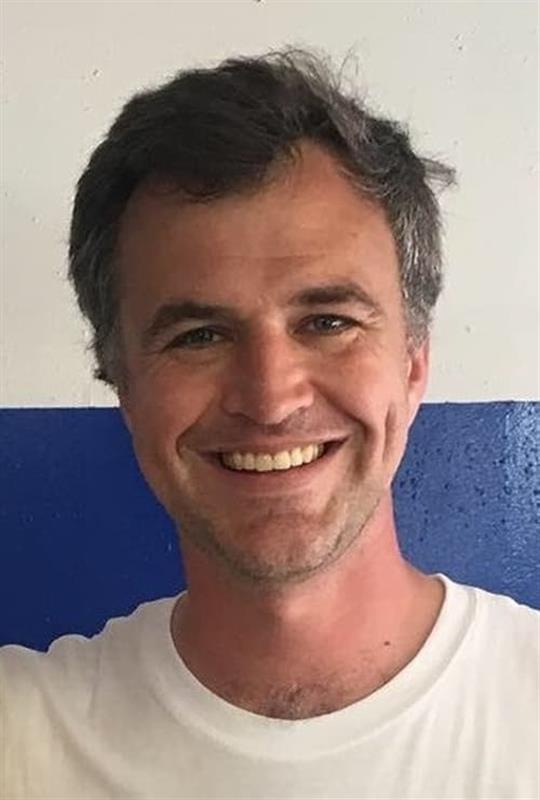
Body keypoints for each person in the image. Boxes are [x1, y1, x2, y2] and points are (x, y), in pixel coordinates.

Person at [1, 48, 538, 800]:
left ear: (414, 363)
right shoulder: (23, 740)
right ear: (123, 384)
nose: (270, 399)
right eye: (199, 336)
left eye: (328, 321)